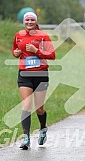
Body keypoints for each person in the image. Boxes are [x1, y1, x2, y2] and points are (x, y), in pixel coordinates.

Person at [11, 12, 55, 150]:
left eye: (32, 20)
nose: (29, 22)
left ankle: (43, 128)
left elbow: (52, 55)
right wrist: (15, 53)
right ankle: (26, 138)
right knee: (26, 106)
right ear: (24, 22)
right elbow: (14, 49)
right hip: (24, 74)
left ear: (36, 22)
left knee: (39, 108)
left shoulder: (43, 36)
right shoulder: (19, 35)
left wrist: (37, 51)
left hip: (41, 74)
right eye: (27, 20)